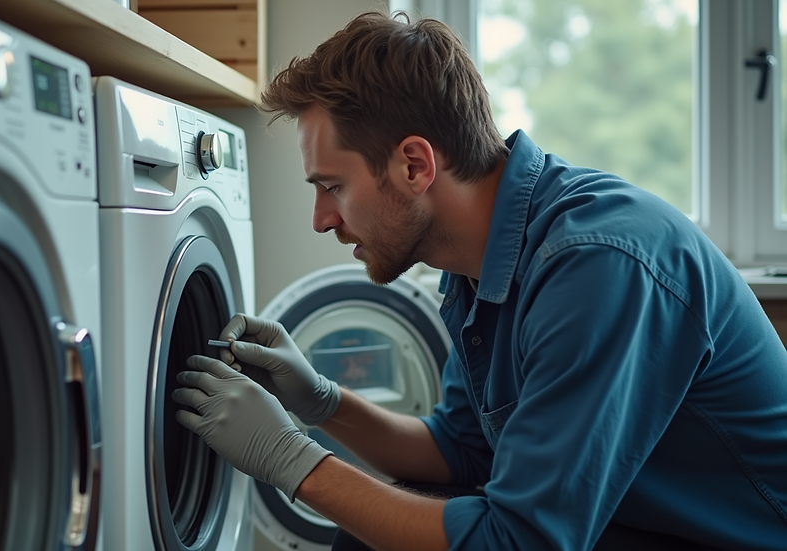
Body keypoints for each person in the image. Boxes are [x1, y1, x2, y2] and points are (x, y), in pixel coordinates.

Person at [171, 10, 787, 551]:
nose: (321, 219)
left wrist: (290, 459)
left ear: (415, 165)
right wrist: (320, 402)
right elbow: (461, 451)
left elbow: (518, 542)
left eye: (333, 186)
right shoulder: (480, 267)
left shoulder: (595, 265)